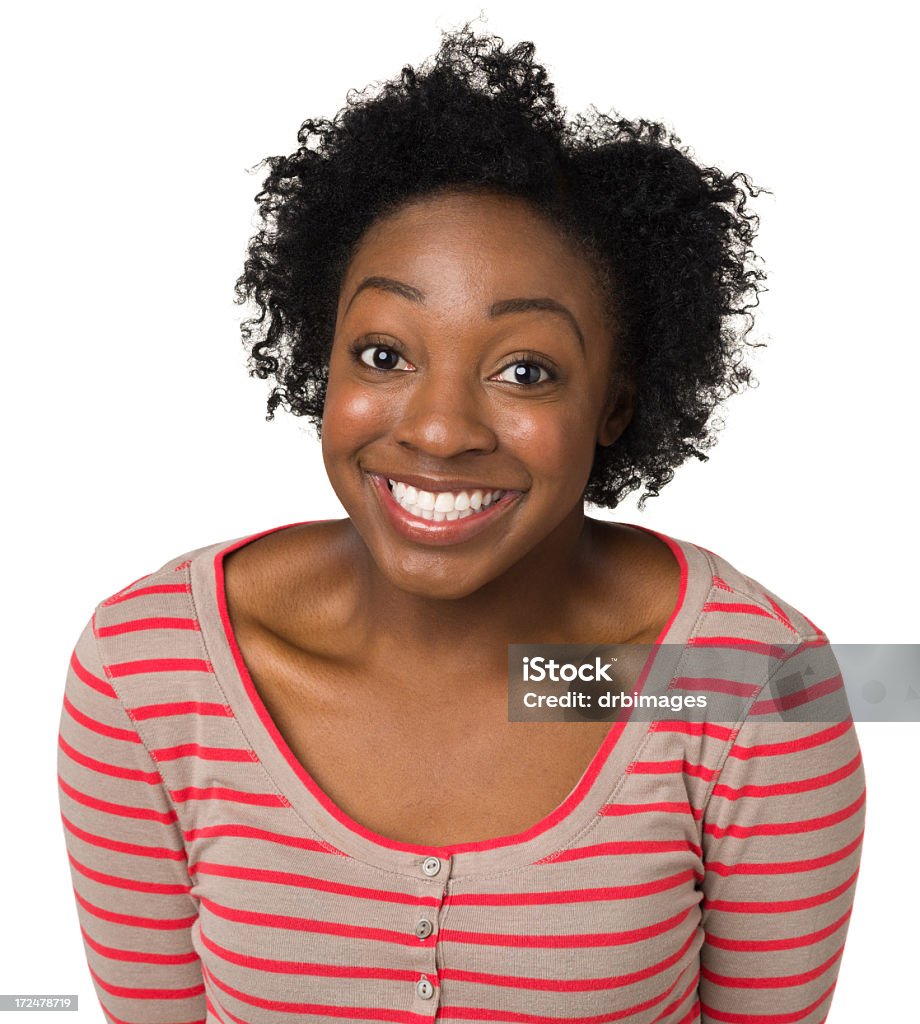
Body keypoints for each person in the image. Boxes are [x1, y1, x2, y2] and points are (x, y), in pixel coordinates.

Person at [57, 28, 866, 1024]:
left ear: (613, 402)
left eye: (524, 369)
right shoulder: (147, 672)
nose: (438, 429)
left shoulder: (751, 690)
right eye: (384, 353)